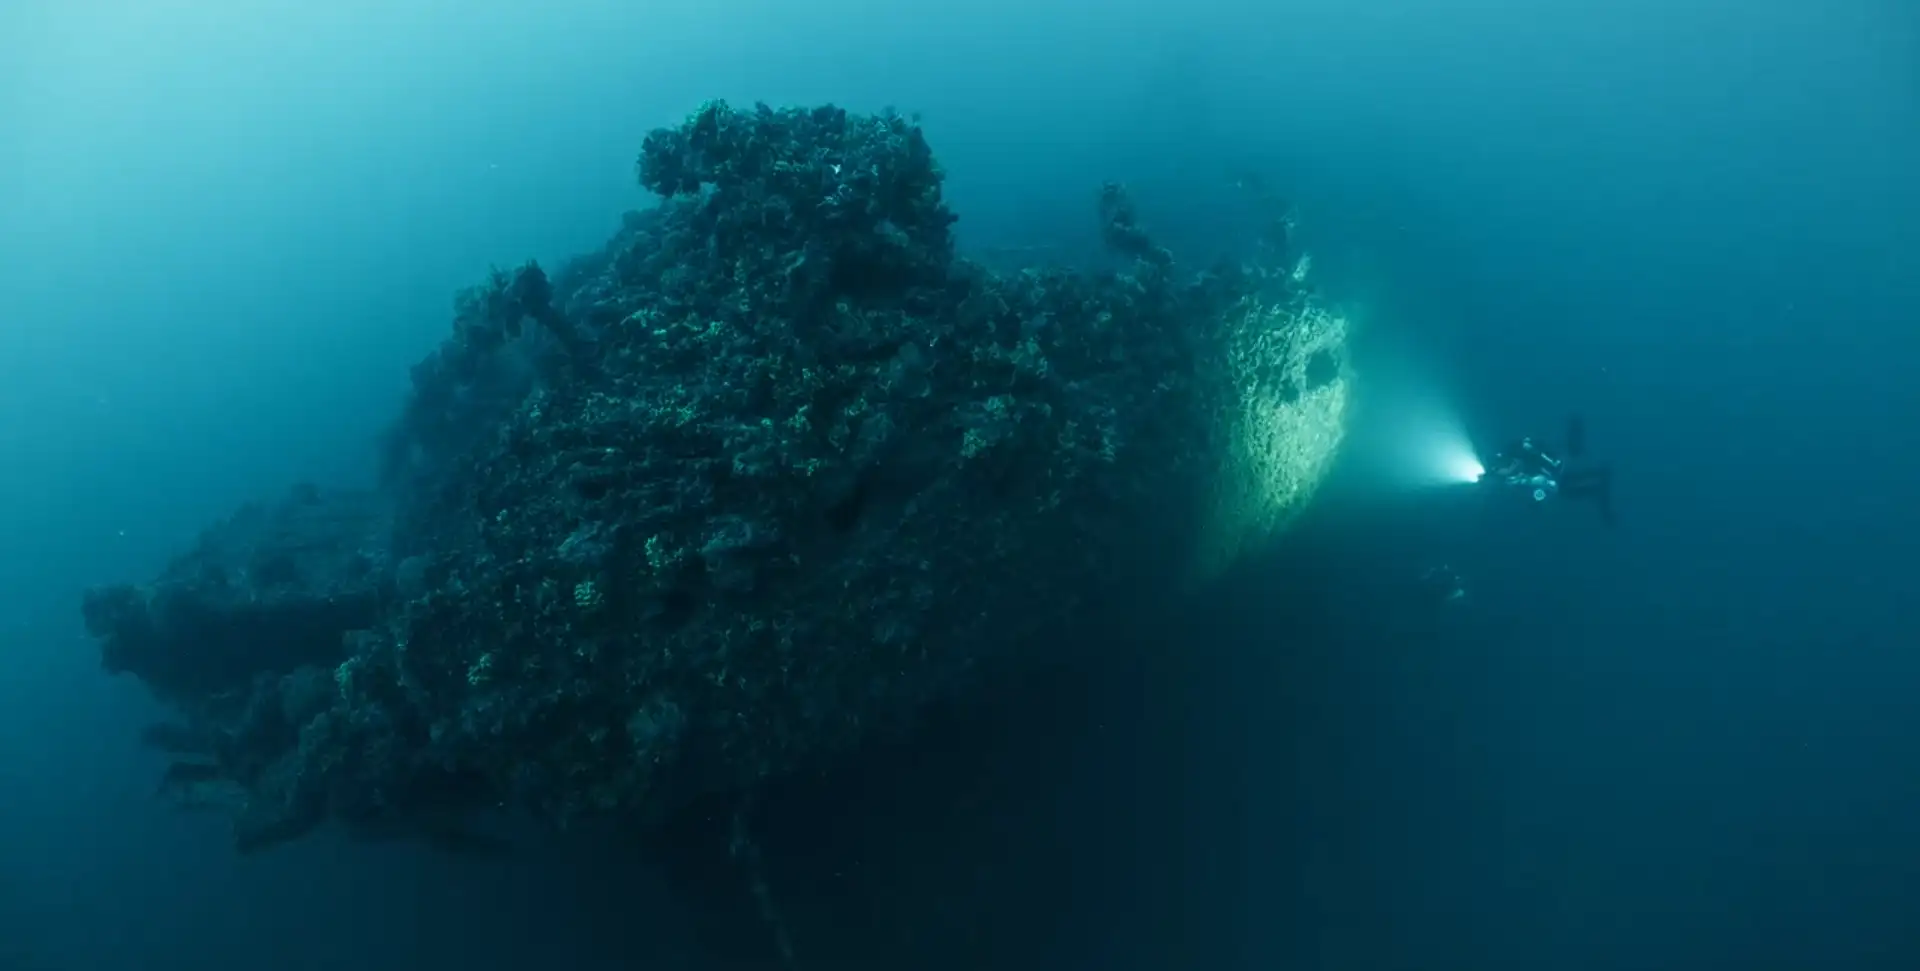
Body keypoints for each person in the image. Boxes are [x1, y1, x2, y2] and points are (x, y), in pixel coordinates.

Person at [1483, 415, 1614, 525]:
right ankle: (1600, 476)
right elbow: (1536, 488)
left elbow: (1539, 485)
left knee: (1573, 487)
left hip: (1556, 480)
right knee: (1573, 483)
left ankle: (1600, 479)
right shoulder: (1514, 471)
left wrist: (1537, 499)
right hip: (1555, 479)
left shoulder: (1526, 463)